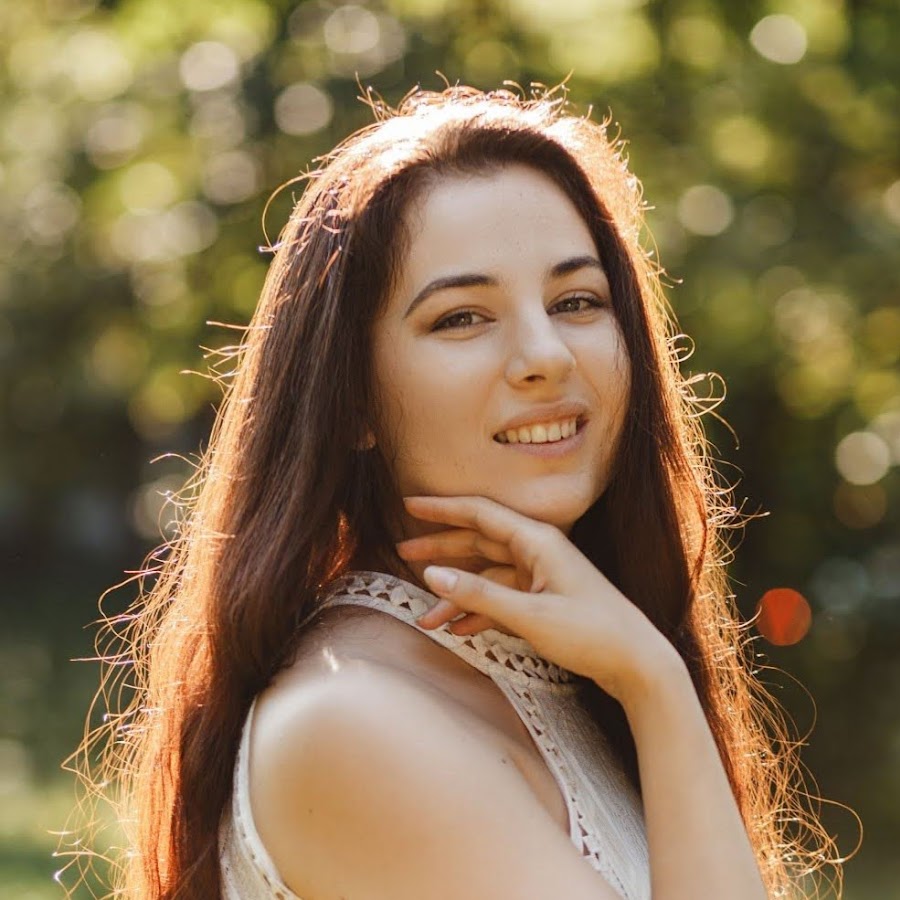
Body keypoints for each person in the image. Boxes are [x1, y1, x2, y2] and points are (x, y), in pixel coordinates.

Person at [65, 85, 843, 899]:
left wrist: (649, 678)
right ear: (352, 402)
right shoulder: (352, 721)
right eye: (462, 318)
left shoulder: (566, 671)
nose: (546, 355)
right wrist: (655, 684)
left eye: (577, 301)